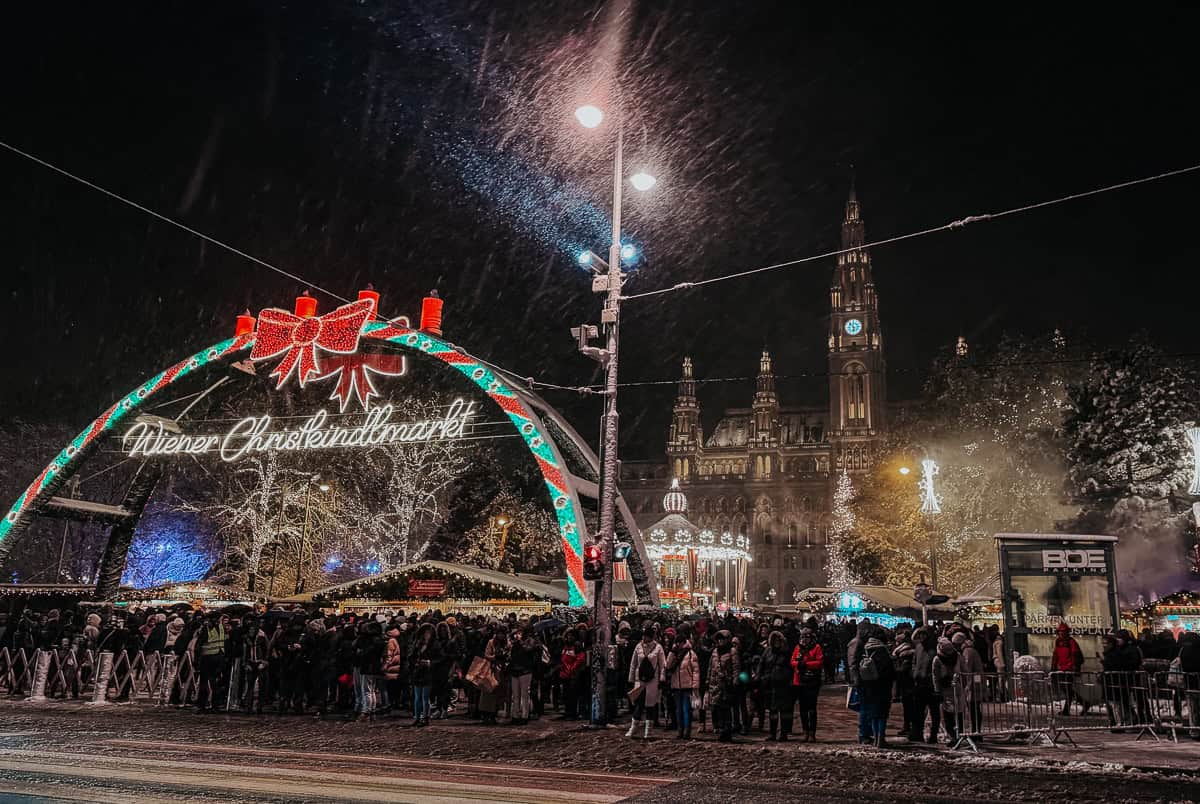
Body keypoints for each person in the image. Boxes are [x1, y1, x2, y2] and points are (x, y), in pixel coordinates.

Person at [626, 626, 667, 739]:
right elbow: (633, 664)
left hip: (652, 680)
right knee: (638, 704)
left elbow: (663, 664)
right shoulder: (638, 646)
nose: (644, 638)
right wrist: (631, 678)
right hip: (640, 680)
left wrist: (662, 679)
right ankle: (633, 728)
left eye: (647, 636)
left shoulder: (658, 647)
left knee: (650, 706)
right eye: (644, 635)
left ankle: (648, 731)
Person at [757, 630, 793, 741]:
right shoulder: (767, 651)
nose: (776, 642)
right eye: (774, 640)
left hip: (783, 685)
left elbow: (791, 667)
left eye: (778, 640)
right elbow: (761, 664)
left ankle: (783, 733)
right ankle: (772, 733)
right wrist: (760, 677)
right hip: (769, 684)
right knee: (772, 711)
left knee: (784, 711)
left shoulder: (786, 652)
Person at [790, 627, 823, 742]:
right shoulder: (798, 648)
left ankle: (812, 732)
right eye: (803, 637)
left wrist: (806, 664)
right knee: (803, 708)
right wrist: (799, 665)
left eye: (807, 637)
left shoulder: (817, 647)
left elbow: (819, 662)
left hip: (812, 681)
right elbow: (792, 661)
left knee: (812, 708)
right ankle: (805, 731)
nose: (804, 639)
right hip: (800, 681)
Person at [665, 631, 699, 739]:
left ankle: (687, 731)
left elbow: (696, 671)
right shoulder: (674, 654)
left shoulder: (690, 654)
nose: (677, 645)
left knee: (686, 710)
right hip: (676, 686)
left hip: (687, 686)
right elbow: (668, 665)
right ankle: (680, 730)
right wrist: (671, 652)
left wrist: (695, 685)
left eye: (679, 643)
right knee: (678, 710)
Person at [193, 612, 229, 712]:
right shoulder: (211, 628)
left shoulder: (216, 628)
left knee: (212, 683)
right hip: (211, 658)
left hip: (213, 658)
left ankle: (208, 705)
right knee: (209, 683)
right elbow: (198, 645)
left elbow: (198, 645)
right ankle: (207, 705)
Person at [708, 630, 739, 742]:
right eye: (719, 639)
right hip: (716, 684)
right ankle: (722, 731)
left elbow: (736, 668)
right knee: (718, 709)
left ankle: (727, 731)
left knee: (726, 709)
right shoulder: (715, 652)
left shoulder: (732, 651)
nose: (721, 641)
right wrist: (708, 680)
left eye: (723, 639)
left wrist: (734, 681)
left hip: (726, 684)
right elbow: (710, 667)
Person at [911, 627, 940, 743]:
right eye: (920, 635)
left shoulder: (934, 648)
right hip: (919, 683)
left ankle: (933, 735)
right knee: (918, 711)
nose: (922, 637)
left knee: (934, 712)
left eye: (924, 635)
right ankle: (918, 733)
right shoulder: (918, 647)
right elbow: (914, 661)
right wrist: (914, 673)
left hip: (931, 684)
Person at [1051, 622, 1086, 715]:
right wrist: (1053, 668)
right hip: (1063, 668)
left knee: (1067, 689)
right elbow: (1056, 655)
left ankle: (1068, 709)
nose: (1061, 633)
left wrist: (1075, 668)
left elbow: (1075, 654)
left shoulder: (1071, 642)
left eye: (1063, 632)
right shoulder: (1058, 642)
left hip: (1069, 668)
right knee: (1067, 689)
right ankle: (1082, 704)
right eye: (1060, 632)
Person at [410, 623, 439, 726]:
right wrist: (416, 662)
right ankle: (417, 717)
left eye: (428, 633)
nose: (426, 635)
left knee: (425, 697)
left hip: (428, 673)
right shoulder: (417, 644)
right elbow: (411, 656)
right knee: (417, 697)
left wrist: (429, 663)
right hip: (418, 672)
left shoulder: (435, 644)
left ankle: (425, 717)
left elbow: (440, 658)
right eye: (425, 633)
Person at [932, 636, 959, 744]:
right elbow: (935, 676)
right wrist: (937, 690)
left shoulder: (955, 656)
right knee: (950, 714)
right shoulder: (939, 659)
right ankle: (953, 736)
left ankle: (955, 736)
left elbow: (935, 676)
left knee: (953, 714)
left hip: (955, 688)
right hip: (947, 688)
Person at [508, 627, 537, 725]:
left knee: (525, 694)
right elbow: (512, 656)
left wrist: (521, 642)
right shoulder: (514, 643)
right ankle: (515, 715)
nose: (517, 635)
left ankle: (525, 716)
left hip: (525, 671)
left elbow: (529, 650)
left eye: (519, 633)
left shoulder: (530, 640)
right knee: (515, 695)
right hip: (515, 671)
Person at [891, 628, 916, 739]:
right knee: (907, 706)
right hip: (905, 683)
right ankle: (907, 726)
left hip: (908, 683)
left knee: (909, 706)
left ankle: (909, 727)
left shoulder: (906, 653)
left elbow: (903, 669)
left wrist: (896, 670)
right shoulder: (902, 652)